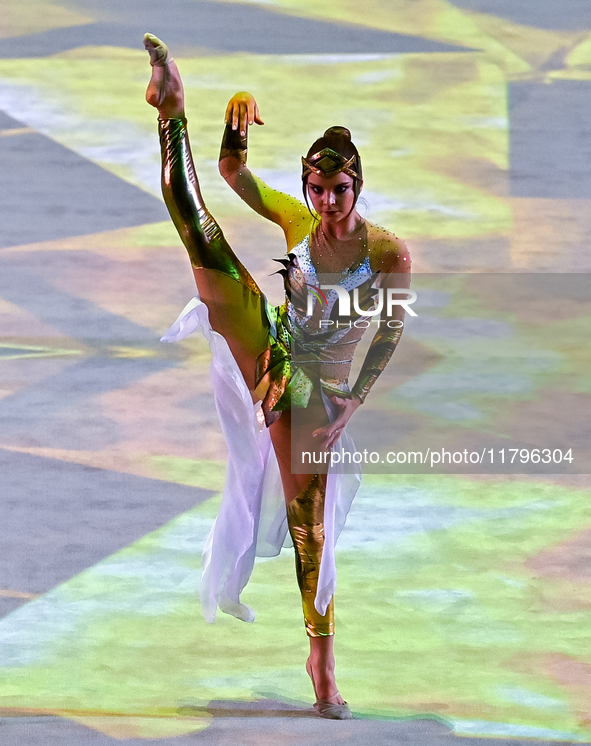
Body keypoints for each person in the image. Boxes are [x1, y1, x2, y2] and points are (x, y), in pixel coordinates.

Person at [144, 33, 411, 719]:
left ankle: (319, 659)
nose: (326, 201)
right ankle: (169, 107)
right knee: (200, 231)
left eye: (339, 189)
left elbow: (390, 329)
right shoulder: (296, 220)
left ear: (359, 183)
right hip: (272, 351)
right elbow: (234, 177)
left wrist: (354, 398)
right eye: (316, 189)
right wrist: (234, 129)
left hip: (317, 391)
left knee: (308, 528)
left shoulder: (386, 252)